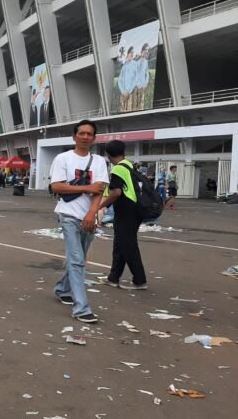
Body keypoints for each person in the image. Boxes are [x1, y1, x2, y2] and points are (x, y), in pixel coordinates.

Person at [49, 120, 108, 324]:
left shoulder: (99, 161)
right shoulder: (62, 158)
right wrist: (85, 188)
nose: (85, 136)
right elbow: (56, 186)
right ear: (74, 136)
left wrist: (92, 214)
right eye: (81, 133)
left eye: (89, 134)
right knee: (76, 259)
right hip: (68, 215)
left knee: (79, 258)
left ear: (94, 138)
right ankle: (81, 308)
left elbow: (99, 190)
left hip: (89, 217)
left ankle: (62, 289)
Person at [99, 140, 148, 290]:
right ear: (124, 152)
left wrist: (101, 206)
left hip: (127, 210)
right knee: (120, 244)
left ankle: (140, 280)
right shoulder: (129, 165)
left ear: (108, 155)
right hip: (135, 209)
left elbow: (116, 192)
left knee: (128, 245)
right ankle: (113, 278)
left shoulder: (118, 169)